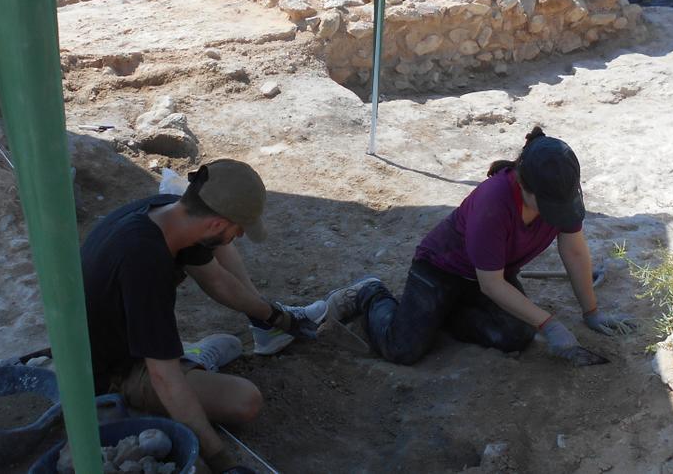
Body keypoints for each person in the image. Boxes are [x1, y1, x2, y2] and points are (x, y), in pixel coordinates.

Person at [77, 160, 324, 474]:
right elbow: (163, 377)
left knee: (219, 251)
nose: (241, 236)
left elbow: (217, 281)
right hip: (109, 369)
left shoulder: (168, 212)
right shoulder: (145, 262)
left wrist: (277, 317)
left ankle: (256, 334)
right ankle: (161, 385)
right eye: (238, 230)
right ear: (217, 224)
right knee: (244, 401)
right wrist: (222, 461)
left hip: (114, 330)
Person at [324, 127, 637, 367]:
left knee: (516, 335)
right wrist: (550, 323)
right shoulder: (495, 201)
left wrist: (592, 312)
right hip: (442, 270)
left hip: (492, 274)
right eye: (548, 206)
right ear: (524, 185)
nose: (554, 213)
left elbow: (574, 249)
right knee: (403, 349)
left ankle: (442, 314)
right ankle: (371, 294)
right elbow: (492, 285)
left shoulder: (561, 193)